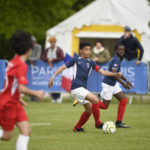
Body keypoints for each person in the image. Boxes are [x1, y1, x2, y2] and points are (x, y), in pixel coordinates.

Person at [48, 42, 121, 132]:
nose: (88, 52)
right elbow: (62, 67)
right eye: (86, 50)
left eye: (90, 50)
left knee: (89, 109)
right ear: (81, 51)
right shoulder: (75, 60)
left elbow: (103, 72)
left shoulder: (91, 62)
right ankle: (98, 123)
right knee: (94, 100)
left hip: (82, 89)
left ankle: (77, 128)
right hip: (76, 88)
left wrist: (114, 74)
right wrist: (53, 77)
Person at [0, 30, 44, 150]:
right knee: (7, 136)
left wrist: (18, 98)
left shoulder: (14, 62)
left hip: (14, 102)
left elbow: (11, 86)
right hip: (7, 105)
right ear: (29, 50)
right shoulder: (21, 65)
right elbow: (21, 88)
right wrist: (37, 93)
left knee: (26, 130)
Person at [99, 43, 133, 128]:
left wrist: (126, 80)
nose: (121, 51)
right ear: (116, 51)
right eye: (119, 50)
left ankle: (118, 122)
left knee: (124, 100)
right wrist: (123, 84)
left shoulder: (117, 59)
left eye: (123, 50)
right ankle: (89, 101)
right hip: (108, 84)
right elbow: (114, 73)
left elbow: (118, 73)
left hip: (113, 84)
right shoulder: (117, 59)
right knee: (104, 106)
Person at [42, 36, 64, 103]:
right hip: (49, 68)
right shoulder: (47, 50)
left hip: (57, 68)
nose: (52, 43)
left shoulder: (59, 50)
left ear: (55, 42)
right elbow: (43, 57)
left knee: (58, 81)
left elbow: (62, 57)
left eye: (53, 42)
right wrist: (48, 59)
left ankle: (59, 97)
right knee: (51, 81)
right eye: (51, 42)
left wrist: (53, 60)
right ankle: (54, 98)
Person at [27, 36, 42, 102]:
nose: (32, 43)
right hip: (28, 68)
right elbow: (26, 56)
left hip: (37, 68)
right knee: (29, 82)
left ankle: (35, 97)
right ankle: (31, 97)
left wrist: (30, 59)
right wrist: (30, 59)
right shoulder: (27, 47)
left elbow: (38, 57)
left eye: (33, 41)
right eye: (31, 42)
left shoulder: (38, 47)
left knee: (36, 82)